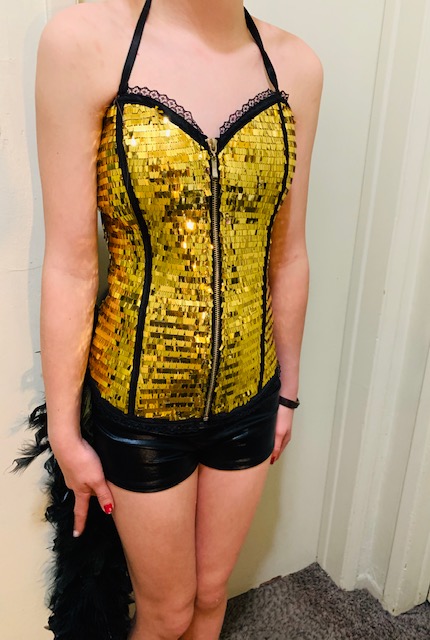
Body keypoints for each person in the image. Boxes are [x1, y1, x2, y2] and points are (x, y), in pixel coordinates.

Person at [34, 0, 322, 638]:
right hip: (140, 407)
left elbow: (288, 255)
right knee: (165, 614)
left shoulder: (297, 66)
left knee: (212, 597)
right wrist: (64, 430)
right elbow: (72, 265)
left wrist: (288, 394)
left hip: (251, 394)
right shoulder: (83, 42)